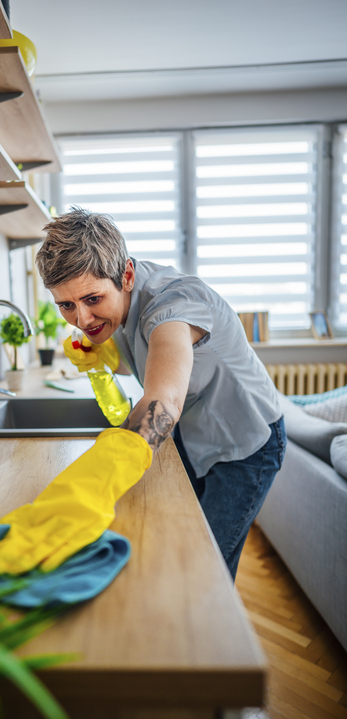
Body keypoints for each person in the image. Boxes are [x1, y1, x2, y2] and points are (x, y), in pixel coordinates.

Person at [35, 206, 287, 581]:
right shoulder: (118, 301)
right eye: (66, 306)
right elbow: (141, 361)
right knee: (178, 540)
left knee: (206, 570)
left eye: (91, 300)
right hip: (195, 431)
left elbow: (163, 401)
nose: (82, 320)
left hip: (246, 443)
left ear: (127, 275)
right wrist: (102, 355)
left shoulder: (174, 304)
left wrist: (92, 482)